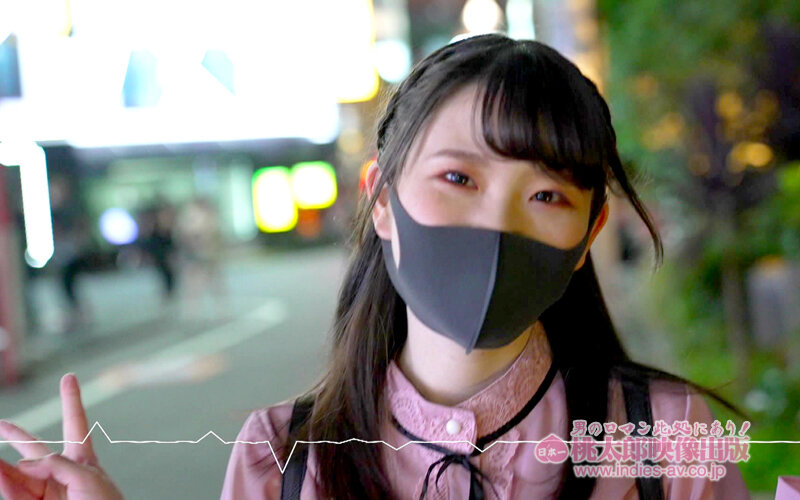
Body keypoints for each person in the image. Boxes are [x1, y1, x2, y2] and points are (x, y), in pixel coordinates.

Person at [0, 35, 758, 499]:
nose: (497, 224)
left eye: (546, 195)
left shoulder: (669, 439)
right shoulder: (282, 459)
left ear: (589, 233)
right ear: (382, 200)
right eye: (458, 178)